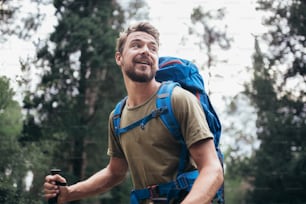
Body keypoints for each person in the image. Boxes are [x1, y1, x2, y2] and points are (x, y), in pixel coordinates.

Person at [43, 22, 223, 204]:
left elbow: (212, 169)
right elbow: (114, 172)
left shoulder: (178, 99)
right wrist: (69, 193)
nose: (146, 51)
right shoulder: (117, 117)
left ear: (157, 62)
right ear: (119, 58)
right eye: (136, 45)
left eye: (153, 48)